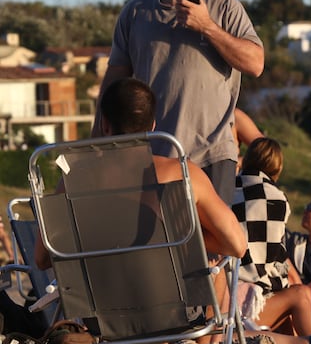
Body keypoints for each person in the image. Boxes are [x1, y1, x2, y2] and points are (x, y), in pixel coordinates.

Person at [93, 0, 264, 205]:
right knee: (157, 242)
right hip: (152, 157)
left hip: (212, 155)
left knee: (212, 243)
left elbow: (256, 64)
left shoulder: (225, 8)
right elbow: (112, 87)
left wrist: (207, 26)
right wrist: (95, 147)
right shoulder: (135, 13)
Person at [35, 78, 247, 271]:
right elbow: (237, 246)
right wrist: (176, 235)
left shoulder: (75, 180)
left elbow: (42, 259)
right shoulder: (182, 173)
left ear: (105, 125)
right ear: (153, 126)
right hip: (171, 307)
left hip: (99, 309)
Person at [230, 137, 311, 341]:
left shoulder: (225, 189)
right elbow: (273, 259)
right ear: (277, 166)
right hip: (245, 303)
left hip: (223, 290)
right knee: (300, 294)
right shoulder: (276, 198)